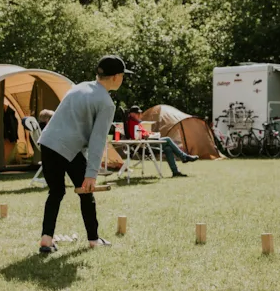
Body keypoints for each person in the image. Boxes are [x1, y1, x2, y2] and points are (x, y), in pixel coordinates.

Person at [37, 55, 133, 253]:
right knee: (86, 193)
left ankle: (46, 239)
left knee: (56, 192)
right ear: (116, 77)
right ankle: (93, 239)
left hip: (47, 142)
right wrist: (91, 174)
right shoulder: (106, 103)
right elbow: (98, 140)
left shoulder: (79, 86)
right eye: (123, 76)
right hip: (68, 148)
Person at [124, 105, 198, 178]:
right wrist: (148, 135)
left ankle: (175, 172)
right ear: (132, 114)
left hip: (148, 142)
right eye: (138, 113)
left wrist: (151, 134)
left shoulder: (136, 122)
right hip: (145, 145)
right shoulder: (132, 123)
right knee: (168, 139)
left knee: (168, 148)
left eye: (140, 113)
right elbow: (136, 136)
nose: (140, 115)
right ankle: (184, 157)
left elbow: (143, 132)